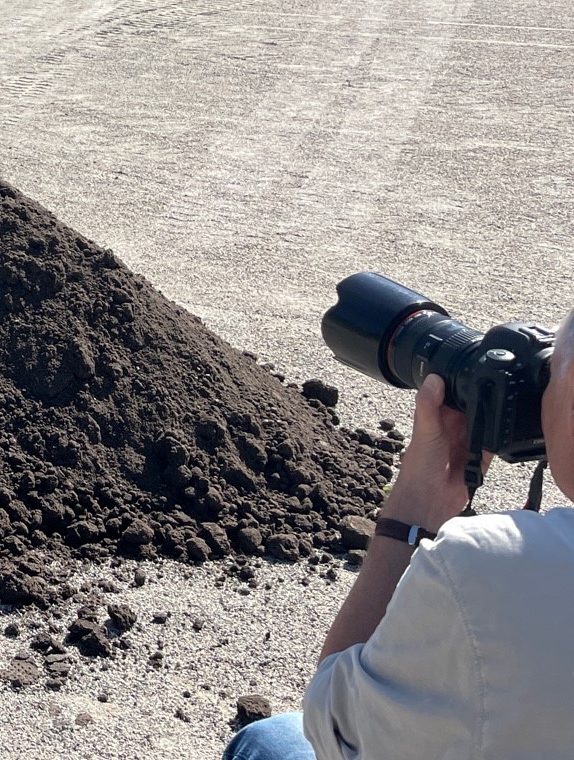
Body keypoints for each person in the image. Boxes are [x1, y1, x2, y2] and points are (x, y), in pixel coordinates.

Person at [221, 307, 574, 760]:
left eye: (549, 372)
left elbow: (337, 730)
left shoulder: (491, 565)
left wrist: (414, 506)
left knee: (270, 741)